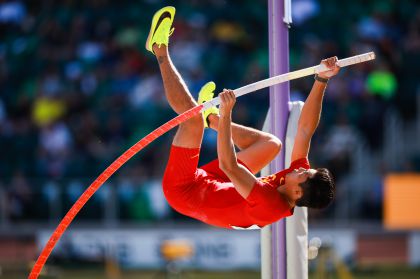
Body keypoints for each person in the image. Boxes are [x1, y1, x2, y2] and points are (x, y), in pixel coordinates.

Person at [146, 6, 338, 229]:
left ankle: (159, 50)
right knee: (272, 144)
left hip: (186, 191)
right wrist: (321, 80)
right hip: (216, 182)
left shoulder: (270, 205)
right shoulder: (292, 180)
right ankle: (212, 119)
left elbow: (229, 165)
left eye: (304, 174)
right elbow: (305, 130)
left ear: (297, 192)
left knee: (192, 120)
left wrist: (227, 115)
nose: (302, 168)